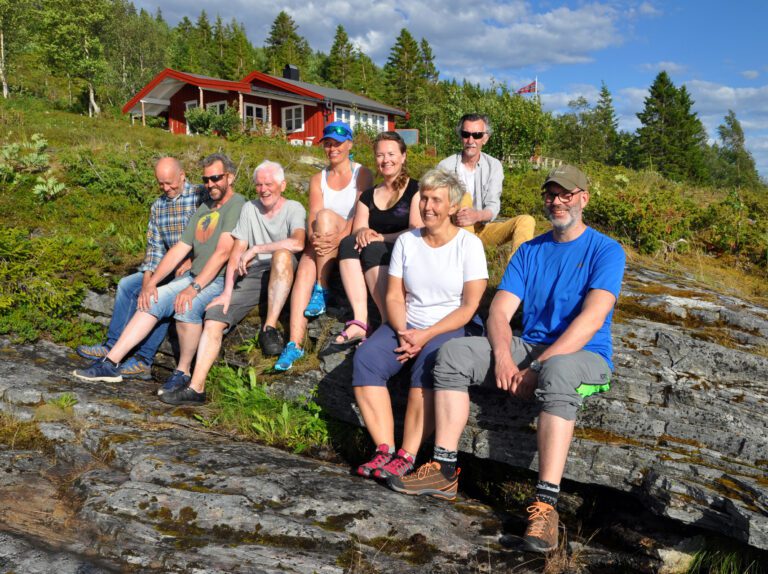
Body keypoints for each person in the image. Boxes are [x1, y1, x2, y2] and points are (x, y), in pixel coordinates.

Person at [388, 165, 626, 554]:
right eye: (551, 194)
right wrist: (502, 356)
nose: (557, 201)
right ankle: (444, 470)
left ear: (583, 197)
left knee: (559, 371)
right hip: (527, 344)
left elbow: (592, 319)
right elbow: (499, 313)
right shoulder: (530, 250)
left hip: (585, 354)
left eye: (566, 194)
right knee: (452, 353)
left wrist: (534, 367)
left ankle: (546, 506)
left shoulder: (606, 250)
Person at [352, 168, 488, 482]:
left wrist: (425, 336)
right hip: (408, 324)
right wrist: (404, 332)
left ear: (453, 206)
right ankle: (383, 449)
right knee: (367, 359)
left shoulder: (469, 246)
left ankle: (407, 455)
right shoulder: (408, 243)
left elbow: (469, 307)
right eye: (424, 198)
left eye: (436, 200)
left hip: (451, 325)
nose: (427, 206)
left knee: (428, 364)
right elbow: (395, 297)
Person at [73, 153, 246, 383]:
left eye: (215, 178)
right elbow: (179, 248)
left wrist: (194, 287)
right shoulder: (205, 207)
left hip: (216, 279)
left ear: (230, 178)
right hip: (193, 275)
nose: (210, 184)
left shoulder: (237, 204)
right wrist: (151, 282)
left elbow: (223, 252)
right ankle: (111, 362)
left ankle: (181, 372)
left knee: (185, 306)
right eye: (206, 180)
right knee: (151, 297)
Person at [160, 160, 306, 405]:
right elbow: (237, 250)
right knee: (214, 316)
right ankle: (196, 388)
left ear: (283, 185)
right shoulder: (249, 208)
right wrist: (227, 292)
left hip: (286, 268)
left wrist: (258, 248)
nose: (263, 189)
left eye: (269, 184)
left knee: (281, 255)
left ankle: (268, 329)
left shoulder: (294, 208)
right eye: (259, 184)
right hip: (254, 272)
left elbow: (298, 243)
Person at [275, 121, 372, 371]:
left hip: (347, 236)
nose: (332, 149)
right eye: (328, 144)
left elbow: (359, 215)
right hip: (323, 239)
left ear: (349, 144)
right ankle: (294, 344)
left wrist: (336, 239)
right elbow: (312, 215)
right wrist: (314, 237)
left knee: (327, 217)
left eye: (338, 144)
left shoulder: (362, 174)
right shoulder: (318, 178)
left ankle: (323, 285)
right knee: (304, 270)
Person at [326, 131, 422, 352]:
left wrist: (380, 237)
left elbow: (416, 229)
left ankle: (390, 323)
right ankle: (361, 321)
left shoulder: (415, 190)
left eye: (391, 154)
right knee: (349, 243)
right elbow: (359, 226)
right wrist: (363, 232)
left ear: (403, 156)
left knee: (372, 249)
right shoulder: (368, 196)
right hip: (375, 248)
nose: (385, 160)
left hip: (404, 250)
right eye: (380, 155)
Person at [437, 113, 535, 259]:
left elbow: (493, 206)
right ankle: (469, 262)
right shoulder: (445, 166)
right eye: (466, 134)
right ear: (460, 136)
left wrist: (476, 215)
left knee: (526, 220)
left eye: (477, 135)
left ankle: (517, 270)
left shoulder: (494, 165)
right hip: (452, 231)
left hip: (483, 229)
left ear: (485, 138)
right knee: (464, 196)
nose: (471, 140)